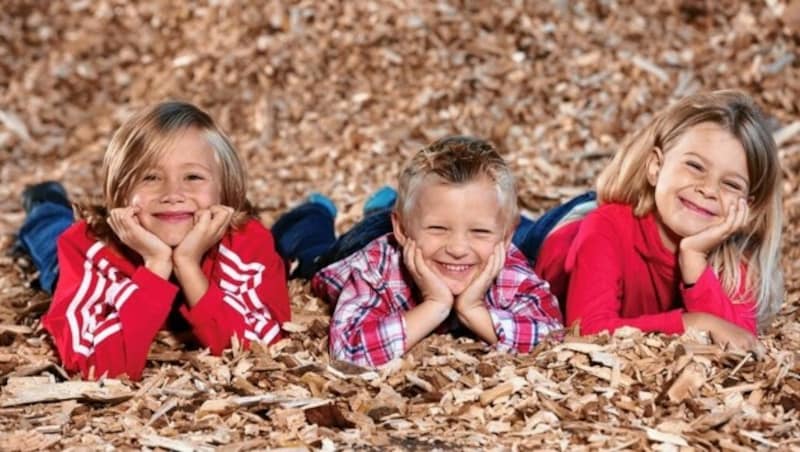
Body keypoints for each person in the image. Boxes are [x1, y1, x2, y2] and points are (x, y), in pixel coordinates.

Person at [16, 101, 291, 380]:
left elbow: (260, 353)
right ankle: (44, 200)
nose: (173, 193)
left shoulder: (246, 242)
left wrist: (187, 265)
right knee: (50, 229)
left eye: (193, 176)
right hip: (100, 254)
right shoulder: (88, 247)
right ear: (121, 192)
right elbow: (100, 367)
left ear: (225, 190)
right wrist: (156, 264)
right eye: (150, 177)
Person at [273, 136, 563, 368]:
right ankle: (315, 211)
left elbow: (554, 339)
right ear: (401, 229)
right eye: (439, 229)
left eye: (480, 231)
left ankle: (391, 207)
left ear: (507, 236)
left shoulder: (508, 264)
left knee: (432, 212)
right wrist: (435, 305)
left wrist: (472, 310)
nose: (458, 249)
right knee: (314, 251)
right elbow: (348, 352)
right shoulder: (375, 267)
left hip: (415, 229)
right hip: (361, 243)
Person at [531, 90, 782, 352]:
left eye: (730, 184)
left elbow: (739, 340)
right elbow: (586, 332)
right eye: (695, 166)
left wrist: (694, 258)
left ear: (748, 207)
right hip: (557, 236)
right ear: (655, 167)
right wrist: (695, 323)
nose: (708, 189)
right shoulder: (605, 228)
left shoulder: (735, 258)